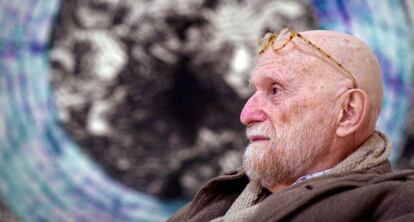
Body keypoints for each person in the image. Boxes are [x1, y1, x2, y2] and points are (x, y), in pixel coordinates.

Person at [168, 29, 414, 222]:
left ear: (348, 113)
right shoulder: (219, 196)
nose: (246, 114)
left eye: (276, 90)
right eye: (254, 91)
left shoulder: (398, 206)